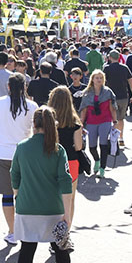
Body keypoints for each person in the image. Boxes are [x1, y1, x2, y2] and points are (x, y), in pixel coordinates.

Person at [11, 107, 81, 263]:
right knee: (60, 247)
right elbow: (65, 182)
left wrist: (19, 196)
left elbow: (15, 176)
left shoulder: (22, 147)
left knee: (26, 250)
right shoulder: (58, 150)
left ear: (34, 124)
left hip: (26, 207)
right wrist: (67, 214)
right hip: (52, 207)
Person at [0, 73, 38, 245]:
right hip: (26, 155)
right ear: (24, 87)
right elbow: (37, 131)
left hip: (3, 155)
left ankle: (13, 231)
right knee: (24, 195)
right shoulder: (32, 106)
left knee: (7, 195)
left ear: (8, 86)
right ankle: (26, 229)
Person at [48, 86, 85, 223]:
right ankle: (66, 228)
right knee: (70, 198)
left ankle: (52, 226)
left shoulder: (48, 122)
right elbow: (79, 146)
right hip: (71, 162)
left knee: (52, 196)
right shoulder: (75, 123)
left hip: (51, 160)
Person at [78, 70, 117, 178]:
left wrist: (115, 121)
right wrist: (81, 123)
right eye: (97, 78)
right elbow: (84, 109)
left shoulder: (108, 92)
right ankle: (97, 160)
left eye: (101, 78)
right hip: (91, 122)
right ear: (92, 79)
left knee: (103, 145)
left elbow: (112, 108)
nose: (99, 80)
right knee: (92, 147)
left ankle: (102, 168)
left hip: (105, 120)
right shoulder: (87, 93)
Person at [103, 50, 132, 145]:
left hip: (110, 97)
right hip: (123, 96)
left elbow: (103, 82)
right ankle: (121, 137)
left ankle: (113, 137)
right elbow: (131, 82)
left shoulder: (107, 68)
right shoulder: (124, 68)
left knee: (111, 118)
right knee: (121, 118)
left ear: (110, 57)